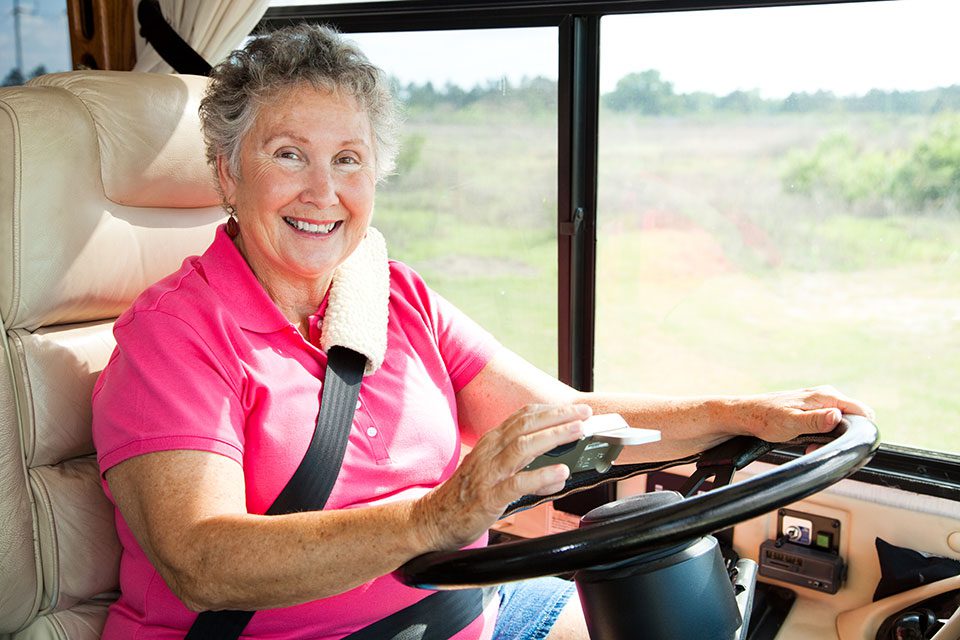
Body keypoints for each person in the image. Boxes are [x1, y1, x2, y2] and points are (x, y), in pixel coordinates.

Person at [91, 24, 874, 640]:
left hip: (471, 616)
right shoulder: (174, 338)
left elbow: (575, 416)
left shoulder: (394, 297)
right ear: (228, 172)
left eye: (349, 159)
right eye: (288, 154)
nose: (323, 192)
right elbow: (202, 561)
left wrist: (744, 412)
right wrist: (437, 516)